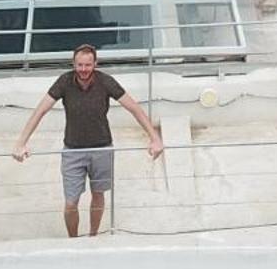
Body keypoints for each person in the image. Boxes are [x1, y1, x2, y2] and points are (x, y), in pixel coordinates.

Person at [11, 43, 164, 237]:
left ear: (95, 64)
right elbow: (40, 110)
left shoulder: (106, 81)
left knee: (98, 194)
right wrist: (21, 142)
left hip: (102, 149)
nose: (83, 70)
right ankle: (73, 239)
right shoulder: (64, 82)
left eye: (88, 65)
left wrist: (154, 138)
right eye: (80, 65)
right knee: (70, 203)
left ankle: (93, 236)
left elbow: (134, 108)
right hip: (73, 151)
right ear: (73, 64)